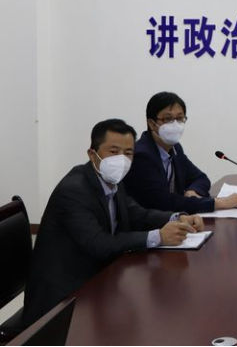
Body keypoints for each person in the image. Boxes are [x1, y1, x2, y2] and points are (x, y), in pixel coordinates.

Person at [23, 119, 203, 325]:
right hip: (62, 299)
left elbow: (137, 214)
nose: (122, 160)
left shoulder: (110, 180)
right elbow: (99, 244)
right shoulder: (74, 190)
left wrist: (177, 217)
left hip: (96, 280)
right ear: (92, 154)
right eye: (113, 152)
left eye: (128, 153)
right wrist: (158, 237)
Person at [124, 92, 237, 213]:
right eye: (168, 119)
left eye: (180, 118)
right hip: (150, 224)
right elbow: (163, 202)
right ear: (152, 124)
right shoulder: (142, 155)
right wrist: (217, 203)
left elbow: (201, 178)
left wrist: (193, 191)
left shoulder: (175, 148)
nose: (175, 124)